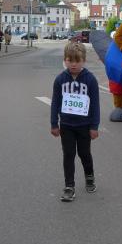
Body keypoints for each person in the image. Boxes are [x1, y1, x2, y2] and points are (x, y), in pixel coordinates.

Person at [50, 41, 100, 202]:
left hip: (84, 126)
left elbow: (95, 105)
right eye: (70, 60)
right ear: (65, 60)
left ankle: (89, 176)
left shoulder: (90, 80)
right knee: (68, 155)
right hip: (66, 126)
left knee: (84, 154)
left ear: (83, 61)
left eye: (77, 61)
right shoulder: (60, 80)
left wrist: (94, 126)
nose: (73, 64)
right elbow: (55, 103)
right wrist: (54, 124)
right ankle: (69, 186)